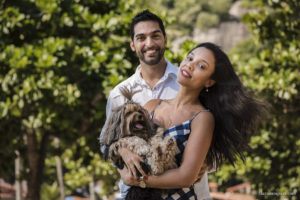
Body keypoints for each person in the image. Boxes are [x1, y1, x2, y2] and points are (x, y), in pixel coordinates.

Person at [117, 42, 264, 199]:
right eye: (190, 58)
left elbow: (185, 177)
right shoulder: (152, 105)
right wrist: (123, 153)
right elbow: (121, 142)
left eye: (201, 66)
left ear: (209, 81)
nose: (190, 65)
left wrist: (137, 180)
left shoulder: (202, 118)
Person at [99, 10, 211, 199]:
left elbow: (217, 142)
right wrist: (122, 151)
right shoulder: (119, 94)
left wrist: (205, 162)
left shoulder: (190, 83)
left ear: (165, 40)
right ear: (133, 45)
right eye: (141, 38)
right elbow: (105, 143)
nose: (149, 43)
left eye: (155, 36)